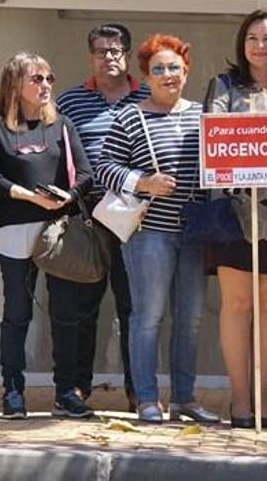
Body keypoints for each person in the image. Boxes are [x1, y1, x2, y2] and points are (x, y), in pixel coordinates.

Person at [96, 33, 219, 425]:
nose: (168, 75)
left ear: (187, 72)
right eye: (159, 69)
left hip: (195, 232)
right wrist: (142, 182)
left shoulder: (203, 115)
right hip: (149, 233)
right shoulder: (130, 117)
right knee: (147, 317)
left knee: (191, 318)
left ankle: (185, 398)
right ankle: (147, 398)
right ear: (146, 75)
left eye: (175, 68)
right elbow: (104, 168)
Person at [0, 52, 93, 419]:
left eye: (48, 78)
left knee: (65, 314)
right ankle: (12, 392)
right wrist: (27, 196)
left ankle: (66, 392)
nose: (45, 85)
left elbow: (86, 175)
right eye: (37, 78)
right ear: (16, 84)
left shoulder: (62, 125)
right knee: (17, 314)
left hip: (58, 232)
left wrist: (66, 198)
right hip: (15, 230)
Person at [202, 9, 267, 429]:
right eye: (253, 38)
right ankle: (240, 400)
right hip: (234, 213)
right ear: (242, 45)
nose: (261, 46)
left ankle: (262, 400)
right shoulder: (223, 87)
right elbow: (217, 133)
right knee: (238, 304)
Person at [57, 23, 150, 413]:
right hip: (87, 216)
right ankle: (77, 389)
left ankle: (138, 390)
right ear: (90, 56)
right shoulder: (69, 102)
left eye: (115, 50)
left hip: (138, 218)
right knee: (83, 307)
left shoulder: (148, 96)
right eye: (100, 51)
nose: (108, 57)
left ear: (127, 55)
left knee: (135, 308)